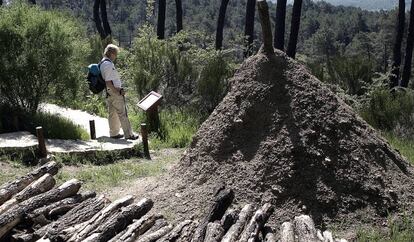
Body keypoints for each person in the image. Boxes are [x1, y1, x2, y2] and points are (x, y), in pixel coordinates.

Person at [100, 44, 138, 140]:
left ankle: (114, 133)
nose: (116, 56)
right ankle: (129, 134)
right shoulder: (108, 64)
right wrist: (119, 90)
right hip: (114, 91)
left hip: (109, 92)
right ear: (111, 53)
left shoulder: (103, 63)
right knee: (122, 113)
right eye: (115, 54)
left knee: (112, 113)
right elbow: (108, 82)